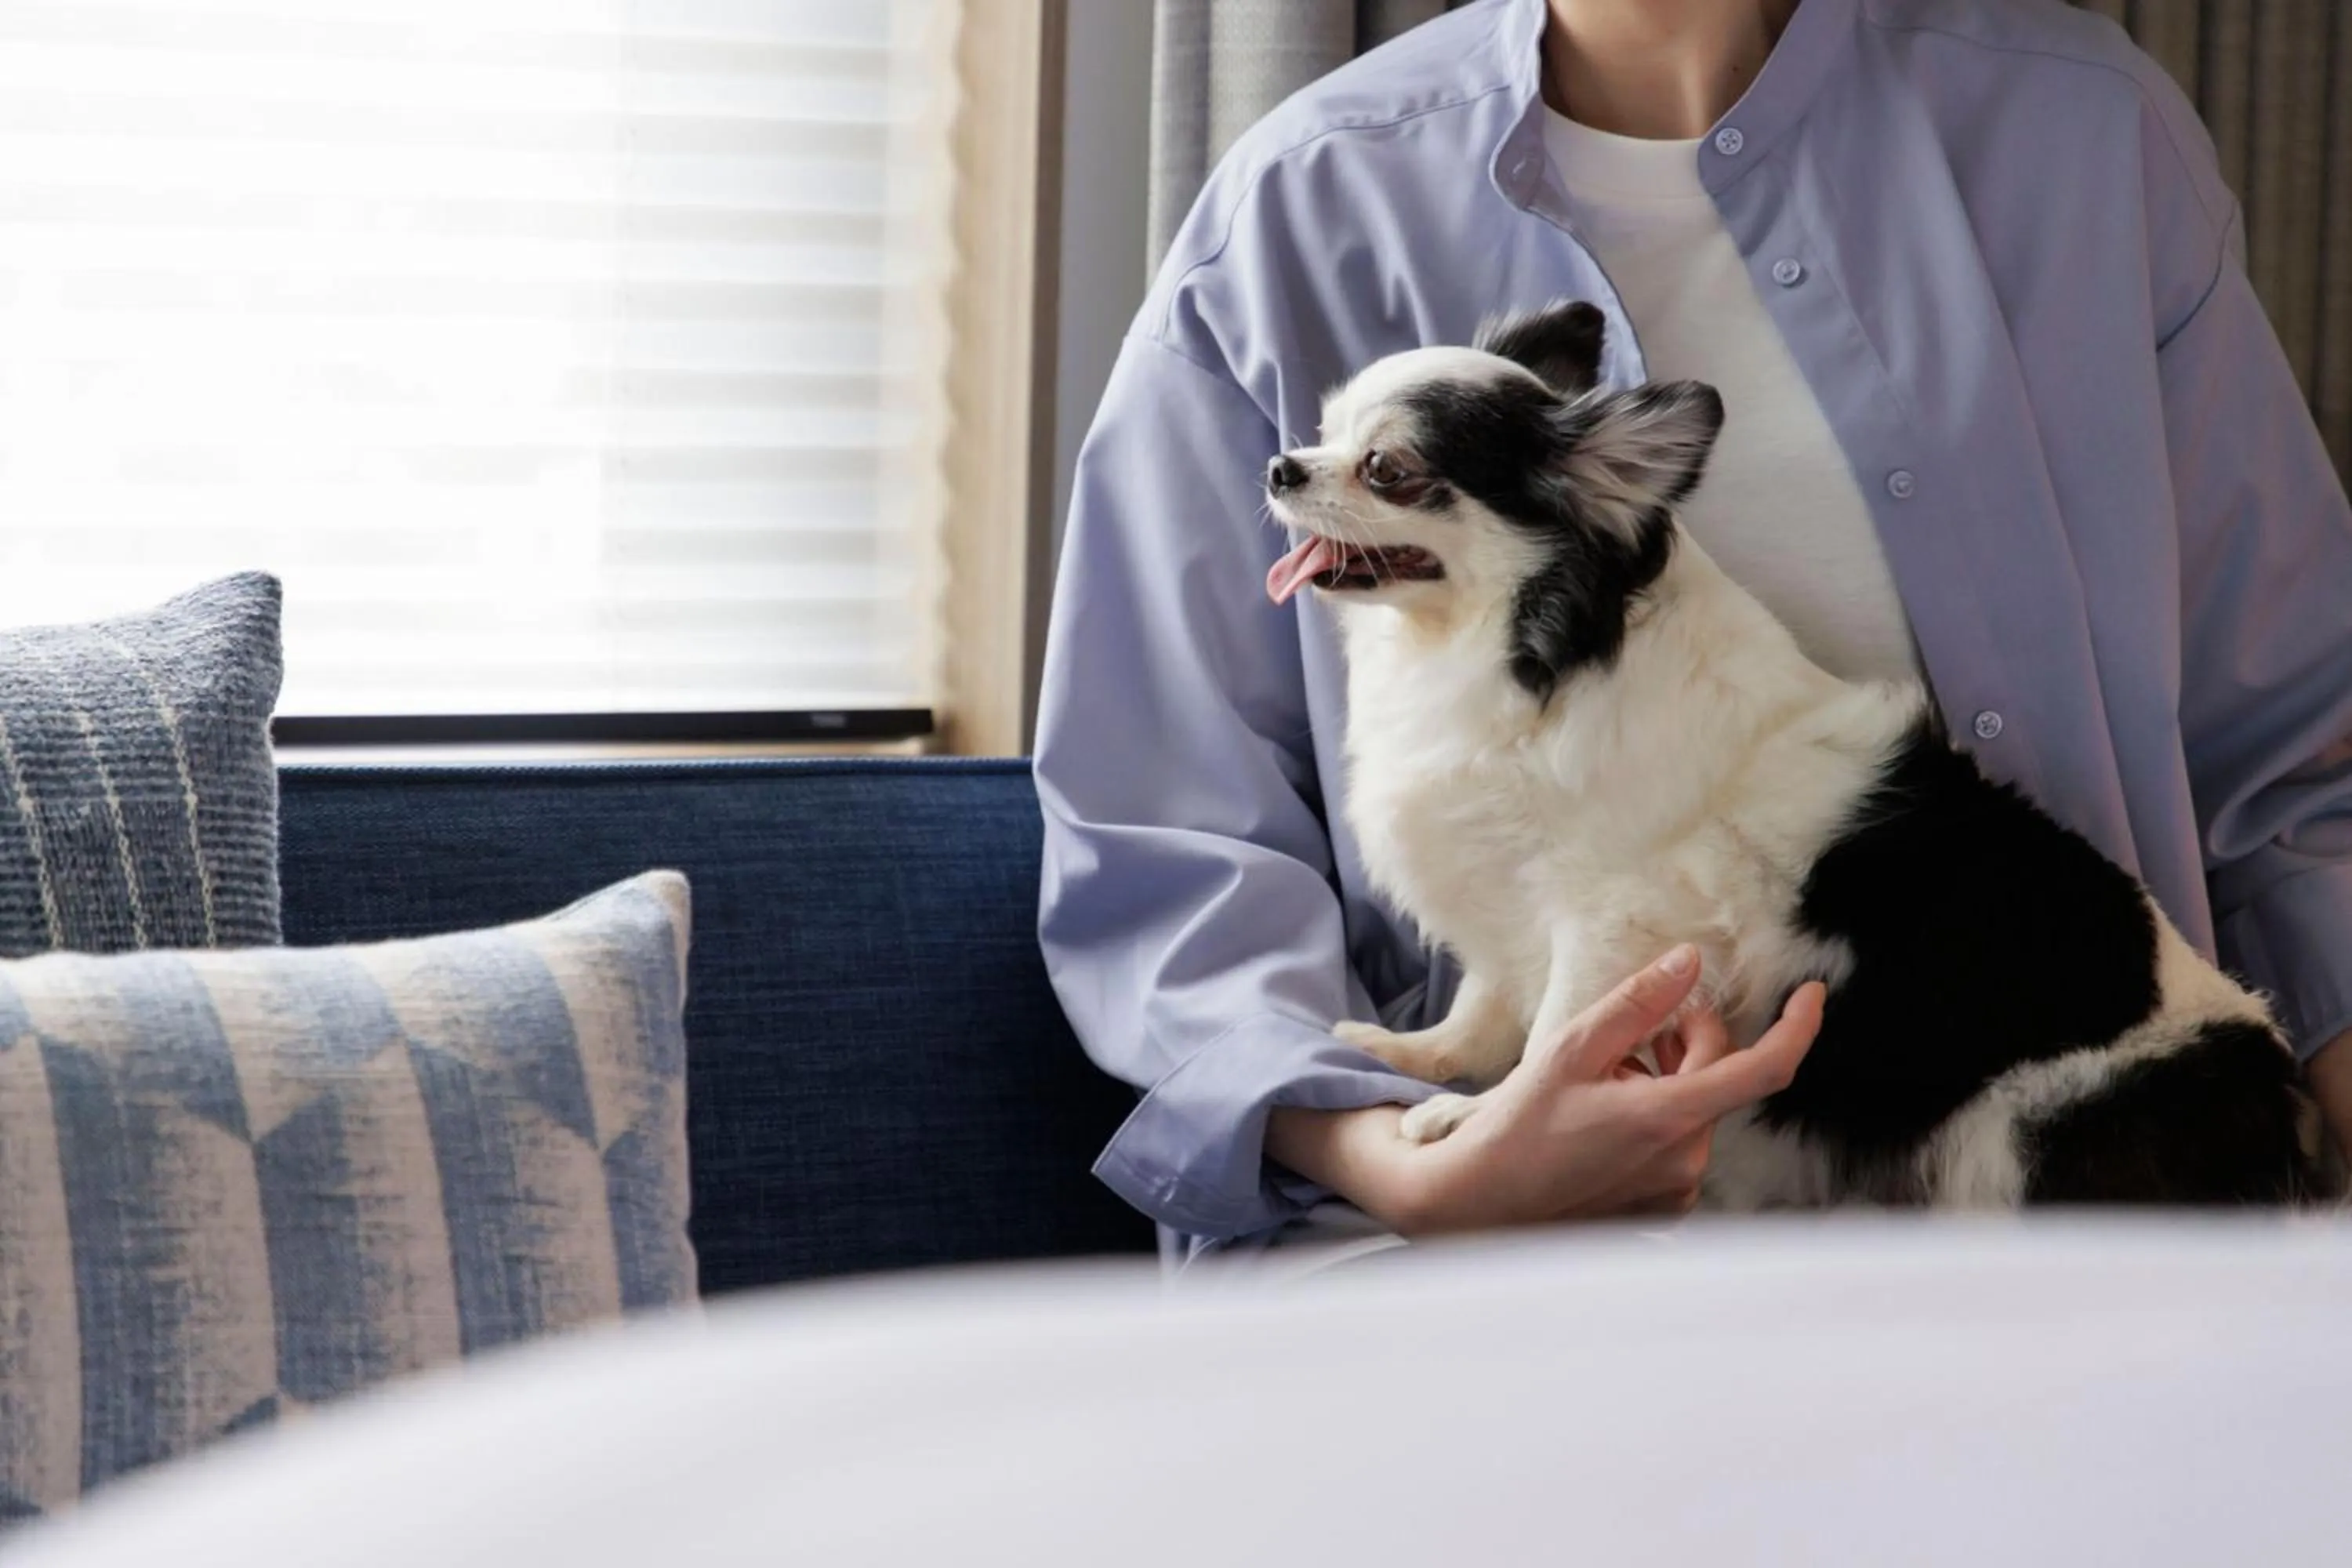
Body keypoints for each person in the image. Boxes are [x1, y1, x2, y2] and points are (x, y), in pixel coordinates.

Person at [1034, 0, 2352, 1273]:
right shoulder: (1299, 207)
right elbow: (1165, 834)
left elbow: (2303, 772)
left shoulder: (2088, 140)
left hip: (2072, 1208)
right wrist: (1412, 1168)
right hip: (1435, 1242)